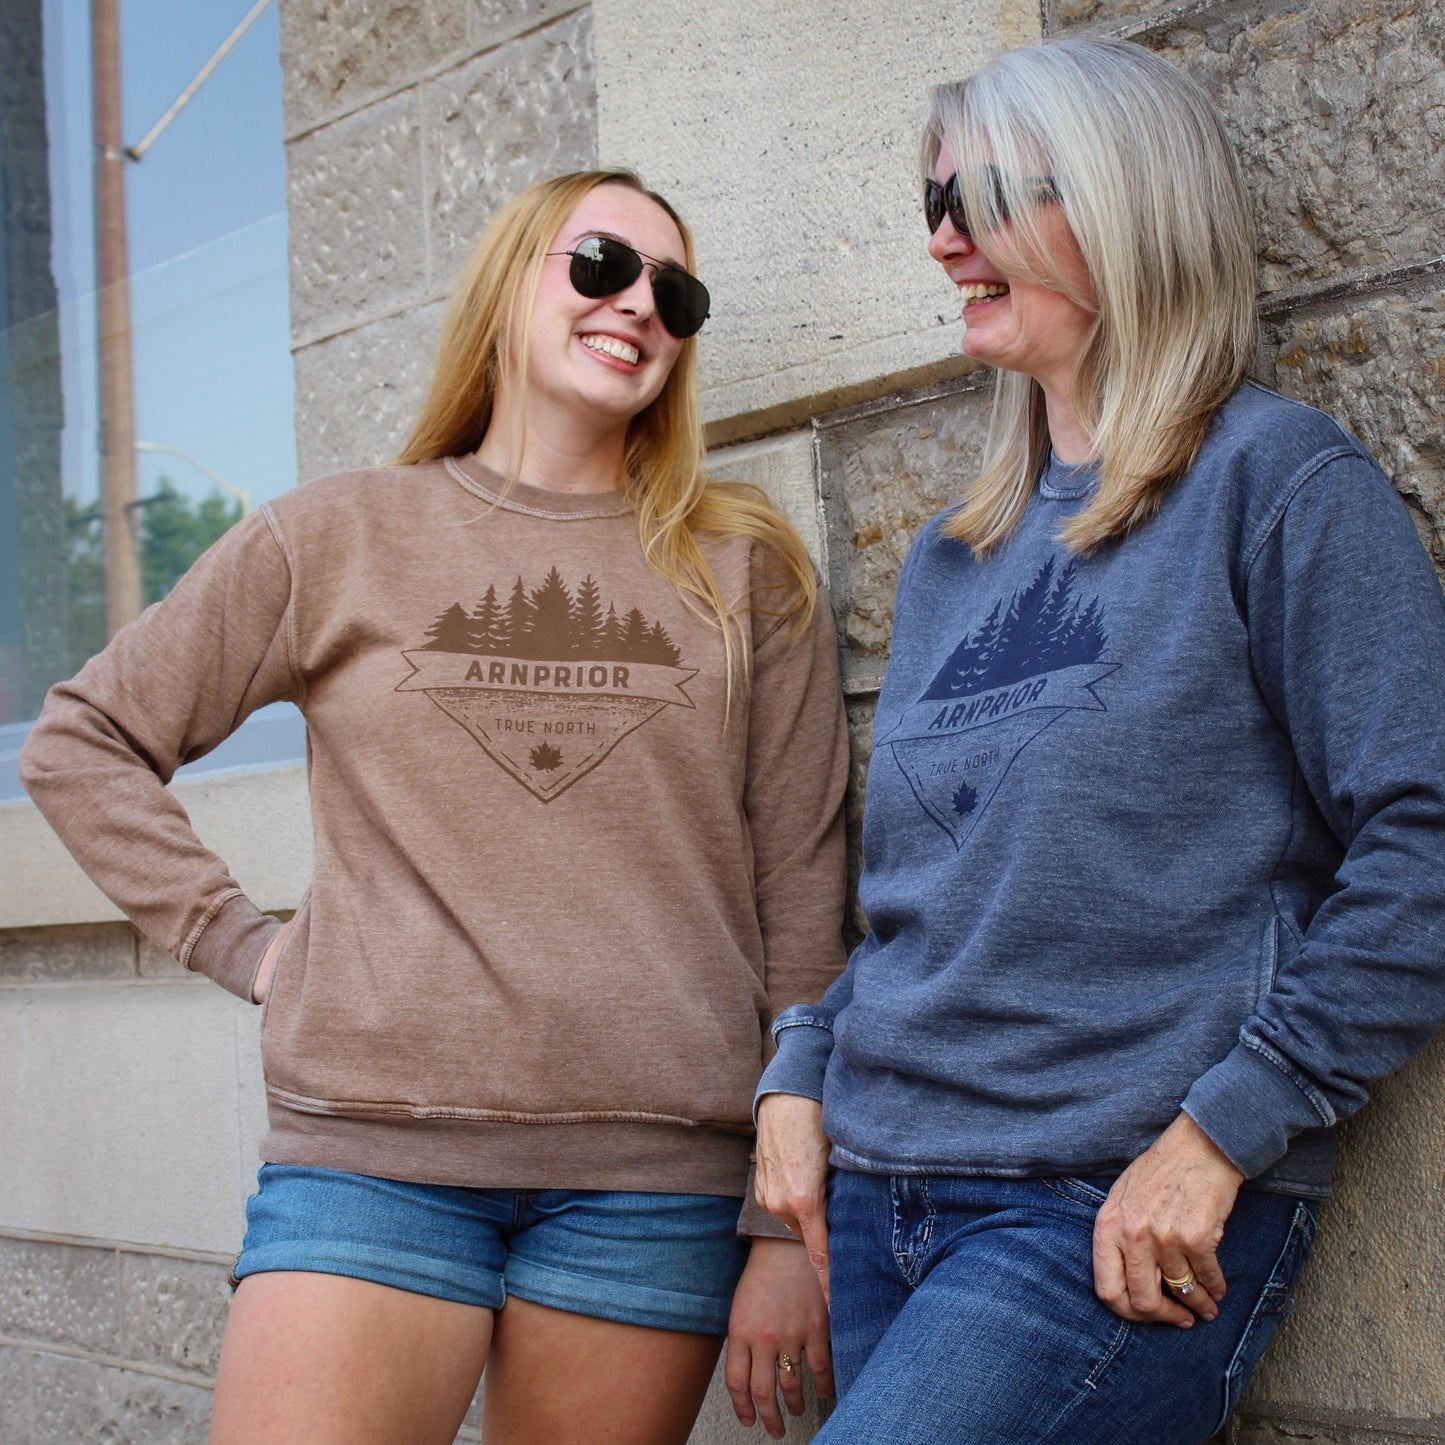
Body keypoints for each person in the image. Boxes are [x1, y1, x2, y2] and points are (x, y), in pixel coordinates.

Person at [21, 169, 845, 1445]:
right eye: (599, 265)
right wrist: (246, 945)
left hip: (652, 1187)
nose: (639, 305)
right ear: (507, 285)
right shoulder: (335, 536)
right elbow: (82, 740)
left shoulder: (743, 570)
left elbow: (801, 895)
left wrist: (781, 1222)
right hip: (369, 1159)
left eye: (673, 293)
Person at [754, 38, 1445, 1444]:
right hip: (881, 1191)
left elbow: (1424, 838)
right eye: (934, 199)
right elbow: (929, 898)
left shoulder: (1274, 484)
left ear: (1130, 209)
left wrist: (1229, 1125)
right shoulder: (955, 554)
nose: (943, 237)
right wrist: (800, 1070)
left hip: (1103, 1206)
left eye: (987, 195)